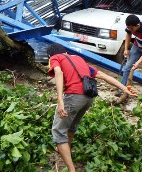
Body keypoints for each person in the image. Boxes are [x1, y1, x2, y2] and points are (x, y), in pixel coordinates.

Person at [47, 43, 136, 172]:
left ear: (50, 56)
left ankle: (71, 169)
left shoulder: (55, 58)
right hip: (88, 98)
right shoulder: (78, 59)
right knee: (72, 125)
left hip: (74, 97)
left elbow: (58, 72)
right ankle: (65, 148)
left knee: (58, 131)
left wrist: (60, 100)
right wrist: (125, 89)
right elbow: (104, 76)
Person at [119, 14, 142, 97]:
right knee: (127, 67)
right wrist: (126, 49)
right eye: (128, 27)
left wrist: (138, 62)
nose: (130, 29)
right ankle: (122, 89)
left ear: (138, 25)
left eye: (131, 28)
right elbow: (128, 34)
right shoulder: (130, 27)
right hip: (137, 46)